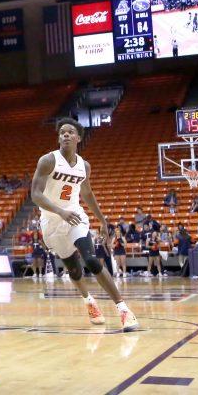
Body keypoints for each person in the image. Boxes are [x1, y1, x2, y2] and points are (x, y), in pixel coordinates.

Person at [30, 118, 139, 331]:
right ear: (59, 137)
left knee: (92, 260)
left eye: (70, 132)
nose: (66, 135)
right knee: (74, 269)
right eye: (62, 132)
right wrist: (60, 211)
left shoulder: (84, 166)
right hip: (52, 221)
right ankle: (89, 301)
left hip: (75, 216)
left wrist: (103, 220)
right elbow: (35, 194)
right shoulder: (48, 161)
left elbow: (87, 193)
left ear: (78, 138)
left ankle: (124, 309)